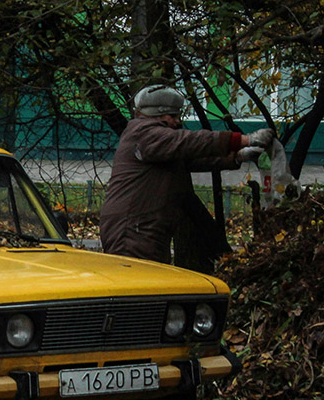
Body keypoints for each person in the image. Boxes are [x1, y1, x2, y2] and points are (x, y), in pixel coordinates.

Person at [99, 84, 273, 265]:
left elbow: (189, 159)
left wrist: (238, 157)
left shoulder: (152, 139)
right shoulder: (145, 134)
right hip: (132, 230)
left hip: (141, 227)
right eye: (172, 116)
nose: (177, 121)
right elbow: (188, 142)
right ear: (156, 114)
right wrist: (243, 140)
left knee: (151, 282)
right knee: (139, 284)